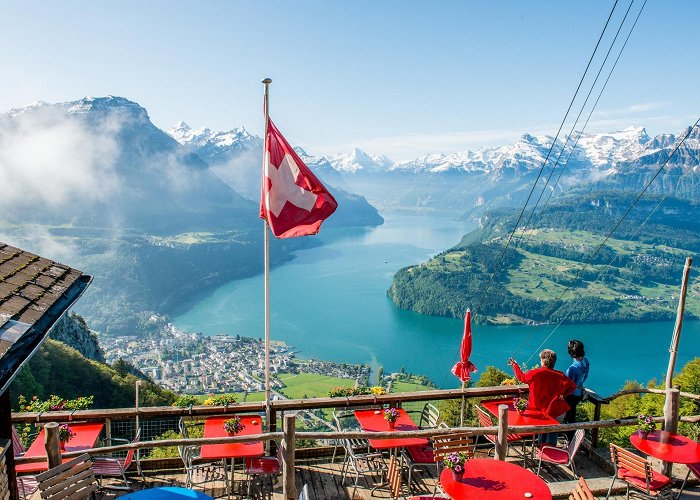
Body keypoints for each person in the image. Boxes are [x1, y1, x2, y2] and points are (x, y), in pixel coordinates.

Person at [508, 349, 576, 445]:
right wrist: (563, 395)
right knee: (552, 431)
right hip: (556, 411)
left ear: (543, 361)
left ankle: (545, 452)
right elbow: (572, 386)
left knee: (543, 430)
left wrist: (515, 365)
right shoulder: (559, 375)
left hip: (540, 410)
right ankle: (548, 452)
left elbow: (521, 377)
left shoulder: (536, 373)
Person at [563, 339, 590, 439]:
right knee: (571, 416)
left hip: (570, 395)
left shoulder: (572, 369)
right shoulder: (585, 361)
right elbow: (585, 376)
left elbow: (568, 386)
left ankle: (570, 440)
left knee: (569, 418)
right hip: (579, 393)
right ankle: (571, 439)